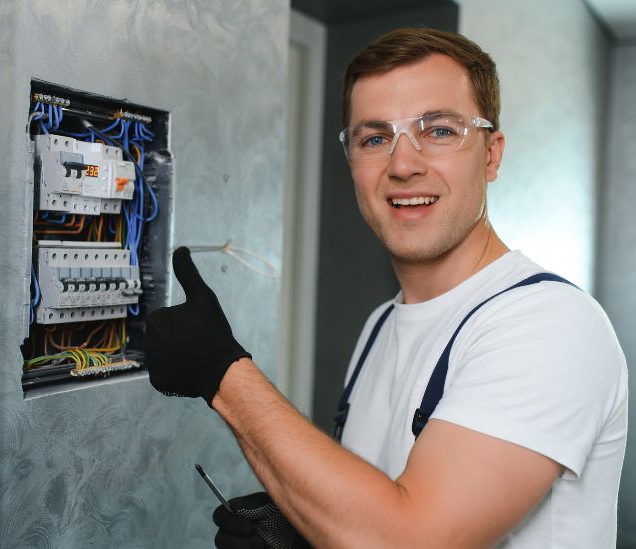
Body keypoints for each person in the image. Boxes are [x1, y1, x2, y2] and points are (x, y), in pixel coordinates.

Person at [145, 28, 628, 548]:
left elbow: (408, 540)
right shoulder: (382, 323)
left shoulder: (550, 325)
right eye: (374, 139)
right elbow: (374, 511)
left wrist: (224, 373)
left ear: (491, 155)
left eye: (440, 131)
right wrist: (310, 529)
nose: (402, 165)